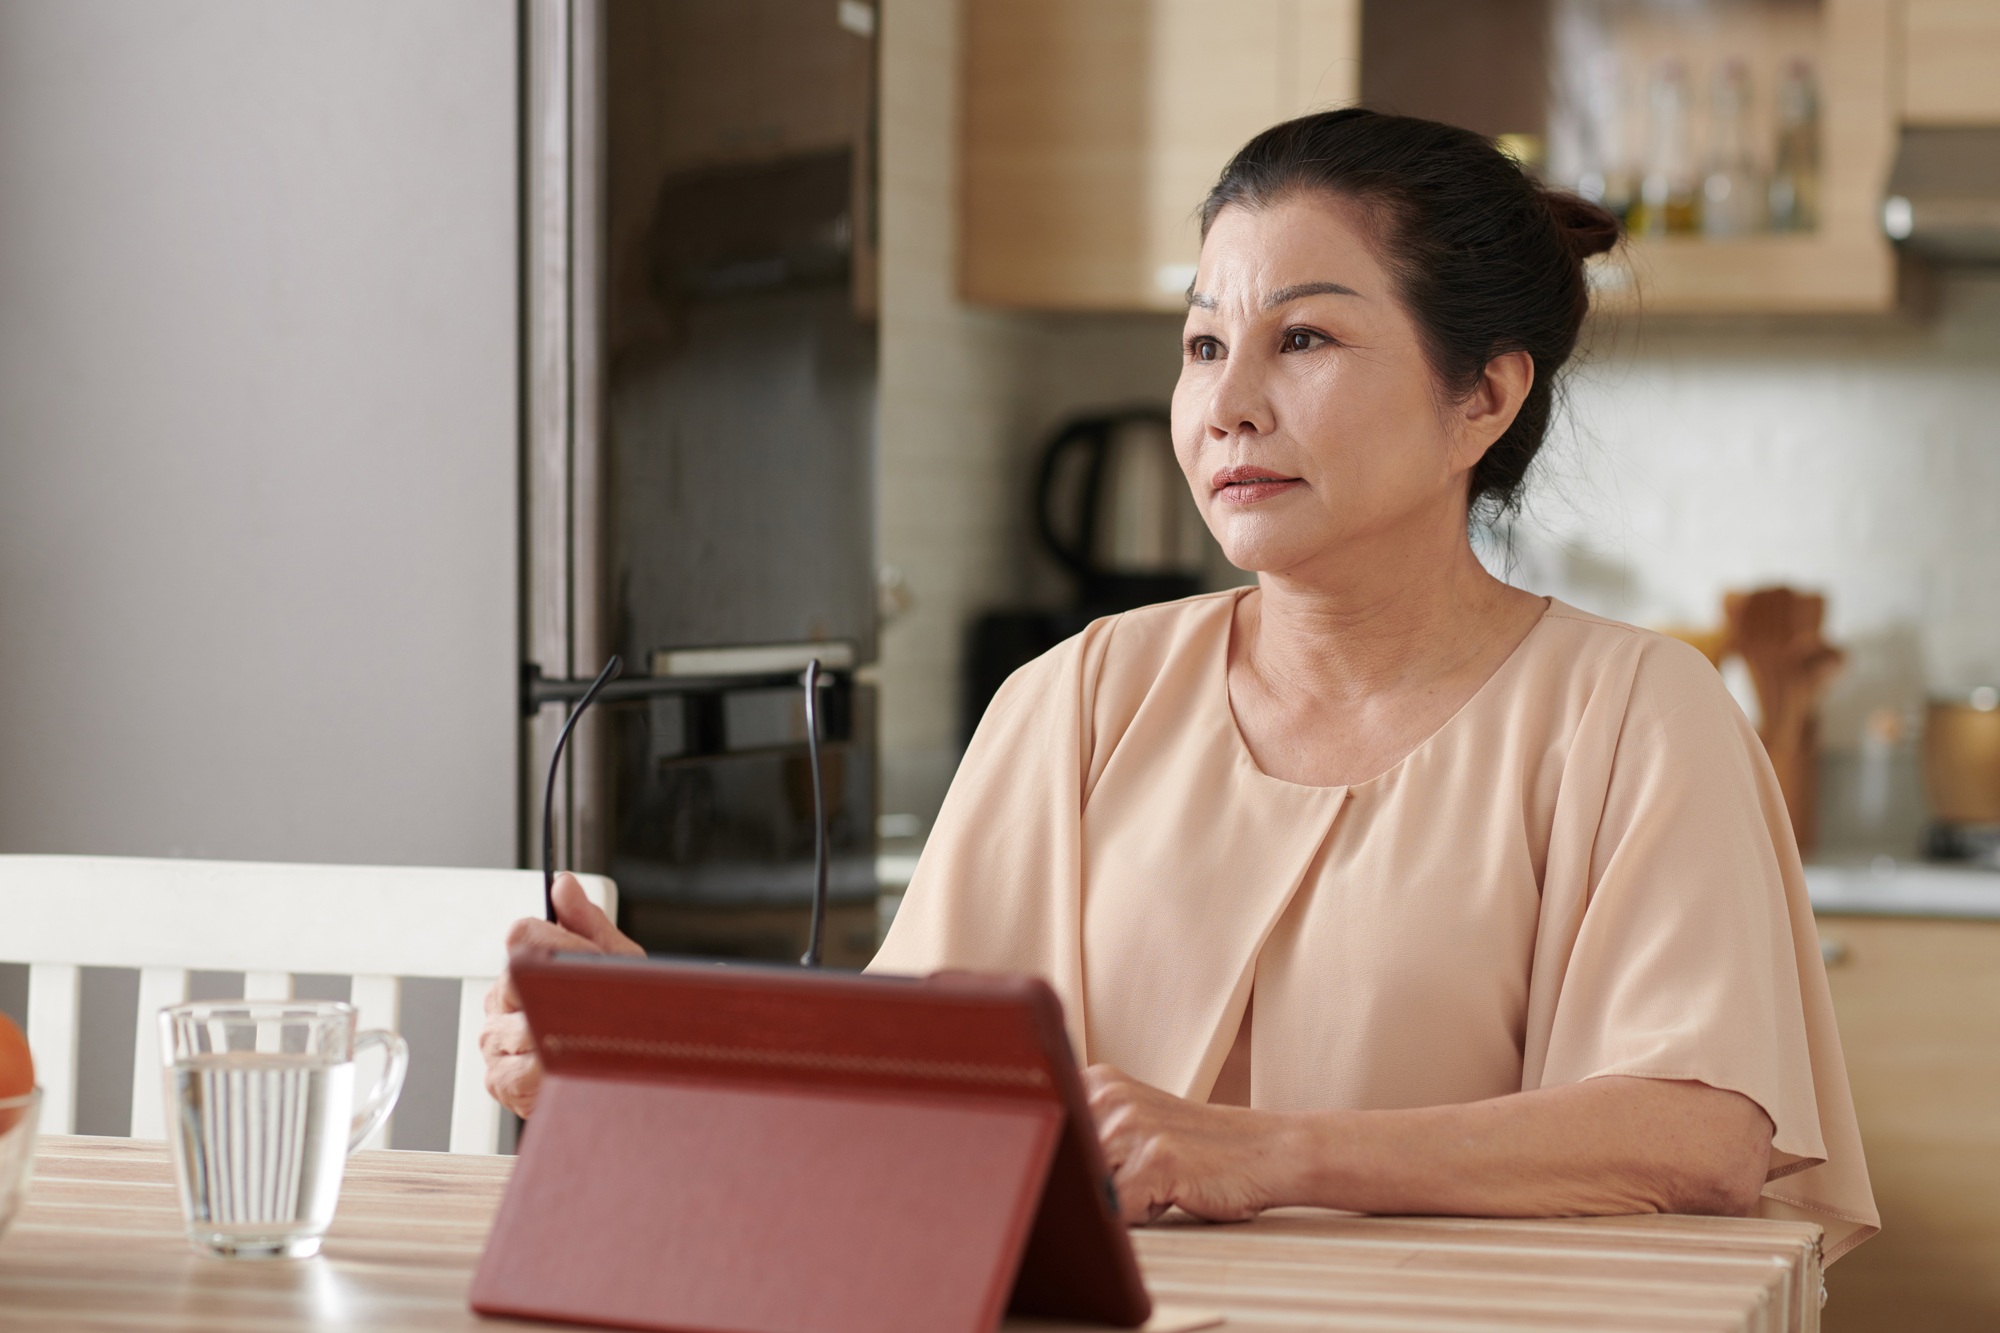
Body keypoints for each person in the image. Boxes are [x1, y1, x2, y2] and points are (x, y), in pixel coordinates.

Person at [482, 109, 1876, 1259]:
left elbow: (1700, 1137)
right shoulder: (1078, 696)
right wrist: (653, 1050)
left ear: (1484, 399)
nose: (1226, 406)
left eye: (1305, 340)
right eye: (1204, 342)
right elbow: (913, 1094)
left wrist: (1268, 1152)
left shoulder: (1633, 712)